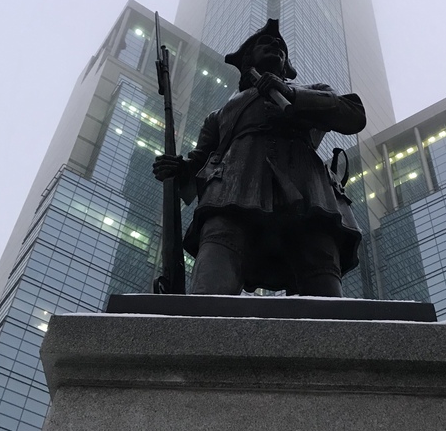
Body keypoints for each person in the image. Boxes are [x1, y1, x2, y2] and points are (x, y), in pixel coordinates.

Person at [152, 19, 366, 296]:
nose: (276, 46)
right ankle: (201, 327)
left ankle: (335, 336)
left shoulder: (312, 92)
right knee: (218, 251)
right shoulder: (221, 114)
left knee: (319, 262)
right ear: (247, 60)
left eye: (281, 46)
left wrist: (291, 94)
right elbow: (200, 161)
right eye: (266, 43)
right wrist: (180, 169)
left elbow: (353, 116)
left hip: (307, 190)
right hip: (233, 188)